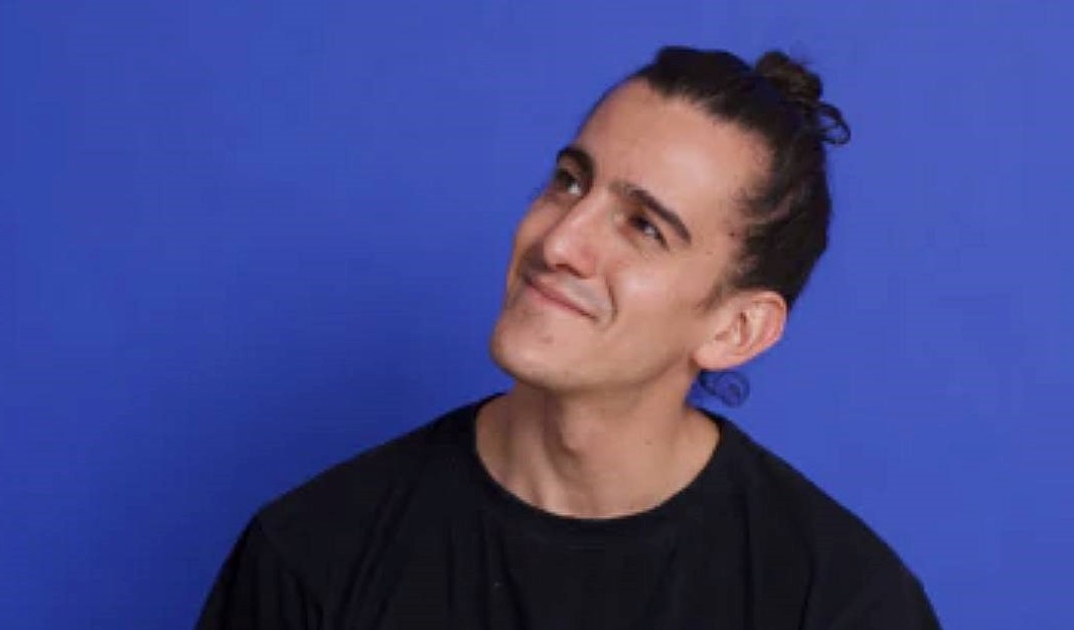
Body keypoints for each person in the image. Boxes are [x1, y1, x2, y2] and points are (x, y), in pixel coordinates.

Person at [198, 45, 941, 629]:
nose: (558, 241)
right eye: (569, 181)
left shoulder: (840, 603)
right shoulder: (312, 554)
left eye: (644, 227)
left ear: (736, 330)